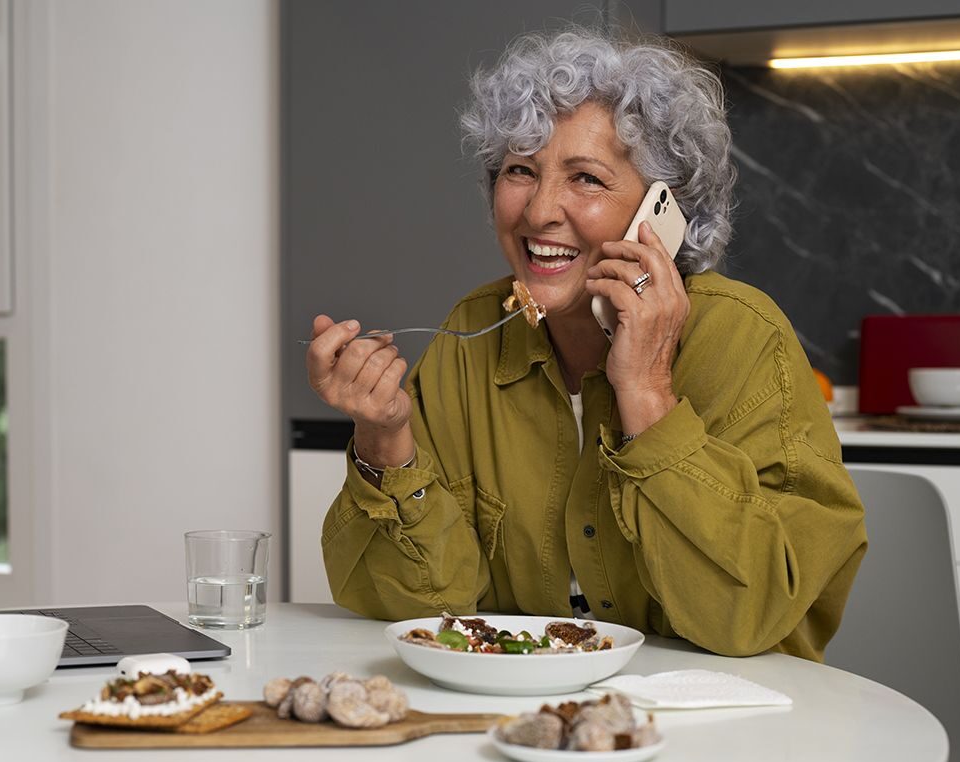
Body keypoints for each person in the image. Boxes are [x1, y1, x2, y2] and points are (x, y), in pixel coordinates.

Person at [304, 28, 866, 662]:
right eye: (520, 170)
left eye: (587, 179)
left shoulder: (743, 338)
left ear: (662, 212)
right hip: (525, 727)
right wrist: (385, 440)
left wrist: (648, 393)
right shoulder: (472, 334)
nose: (540, 210)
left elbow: (749, 617)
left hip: (721, 731)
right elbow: (425, 613)